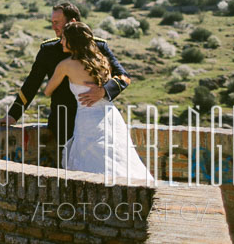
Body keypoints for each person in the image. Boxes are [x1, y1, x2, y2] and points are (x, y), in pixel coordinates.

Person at [0, 2, 131, 154]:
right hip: (63, 121)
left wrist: (103, 91)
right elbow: (31, 83)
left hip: (96, 121)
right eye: (52, 22)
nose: (53, 27)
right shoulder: (48, 50)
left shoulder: (99, 46)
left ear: (72, 22)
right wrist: (13, 115)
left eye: (57, 22)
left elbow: (124, 77)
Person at [45, 21, 154, 182]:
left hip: (87, 119)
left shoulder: (65, 65)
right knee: (118, 157)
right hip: (110, 116)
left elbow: (48, 91)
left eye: (64, 38)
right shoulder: (101, 61)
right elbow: (117, 77)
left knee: (91, 162)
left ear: (72, 41)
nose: (61, 41)